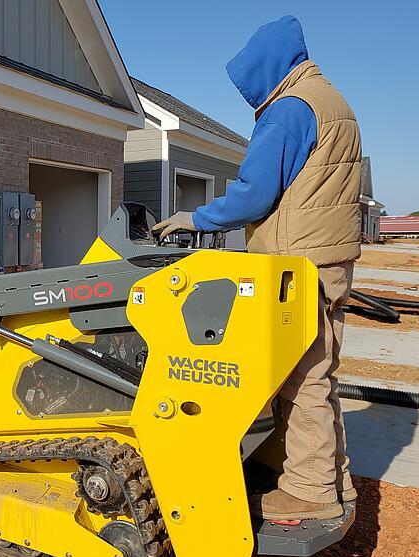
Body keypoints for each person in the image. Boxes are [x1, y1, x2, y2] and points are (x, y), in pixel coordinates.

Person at [152, 15, 361, 521]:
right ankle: (332, 480)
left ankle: (310, 492)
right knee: (317, 373)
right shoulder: (329, 101)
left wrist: (195, 218)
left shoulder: (291, 109)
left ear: (265, 69)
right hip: (324, 261)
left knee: (302, 378)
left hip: (297, 268)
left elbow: (254, 193)